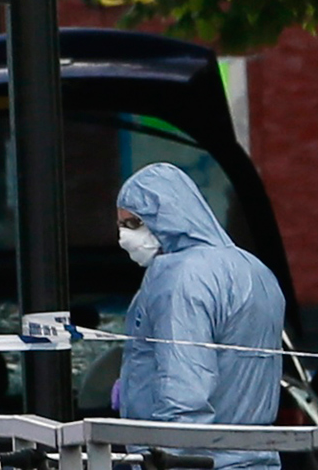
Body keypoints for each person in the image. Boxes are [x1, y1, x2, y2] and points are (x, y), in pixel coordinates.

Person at [115, 162, 285, 470]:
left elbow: (184, 389)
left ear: (165, 216)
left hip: (200, 460)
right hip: (256, 458)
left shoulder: (179, 277)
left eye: (133, 223)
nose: (123, 237)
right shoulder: (255, 269)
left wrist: (170, 459)